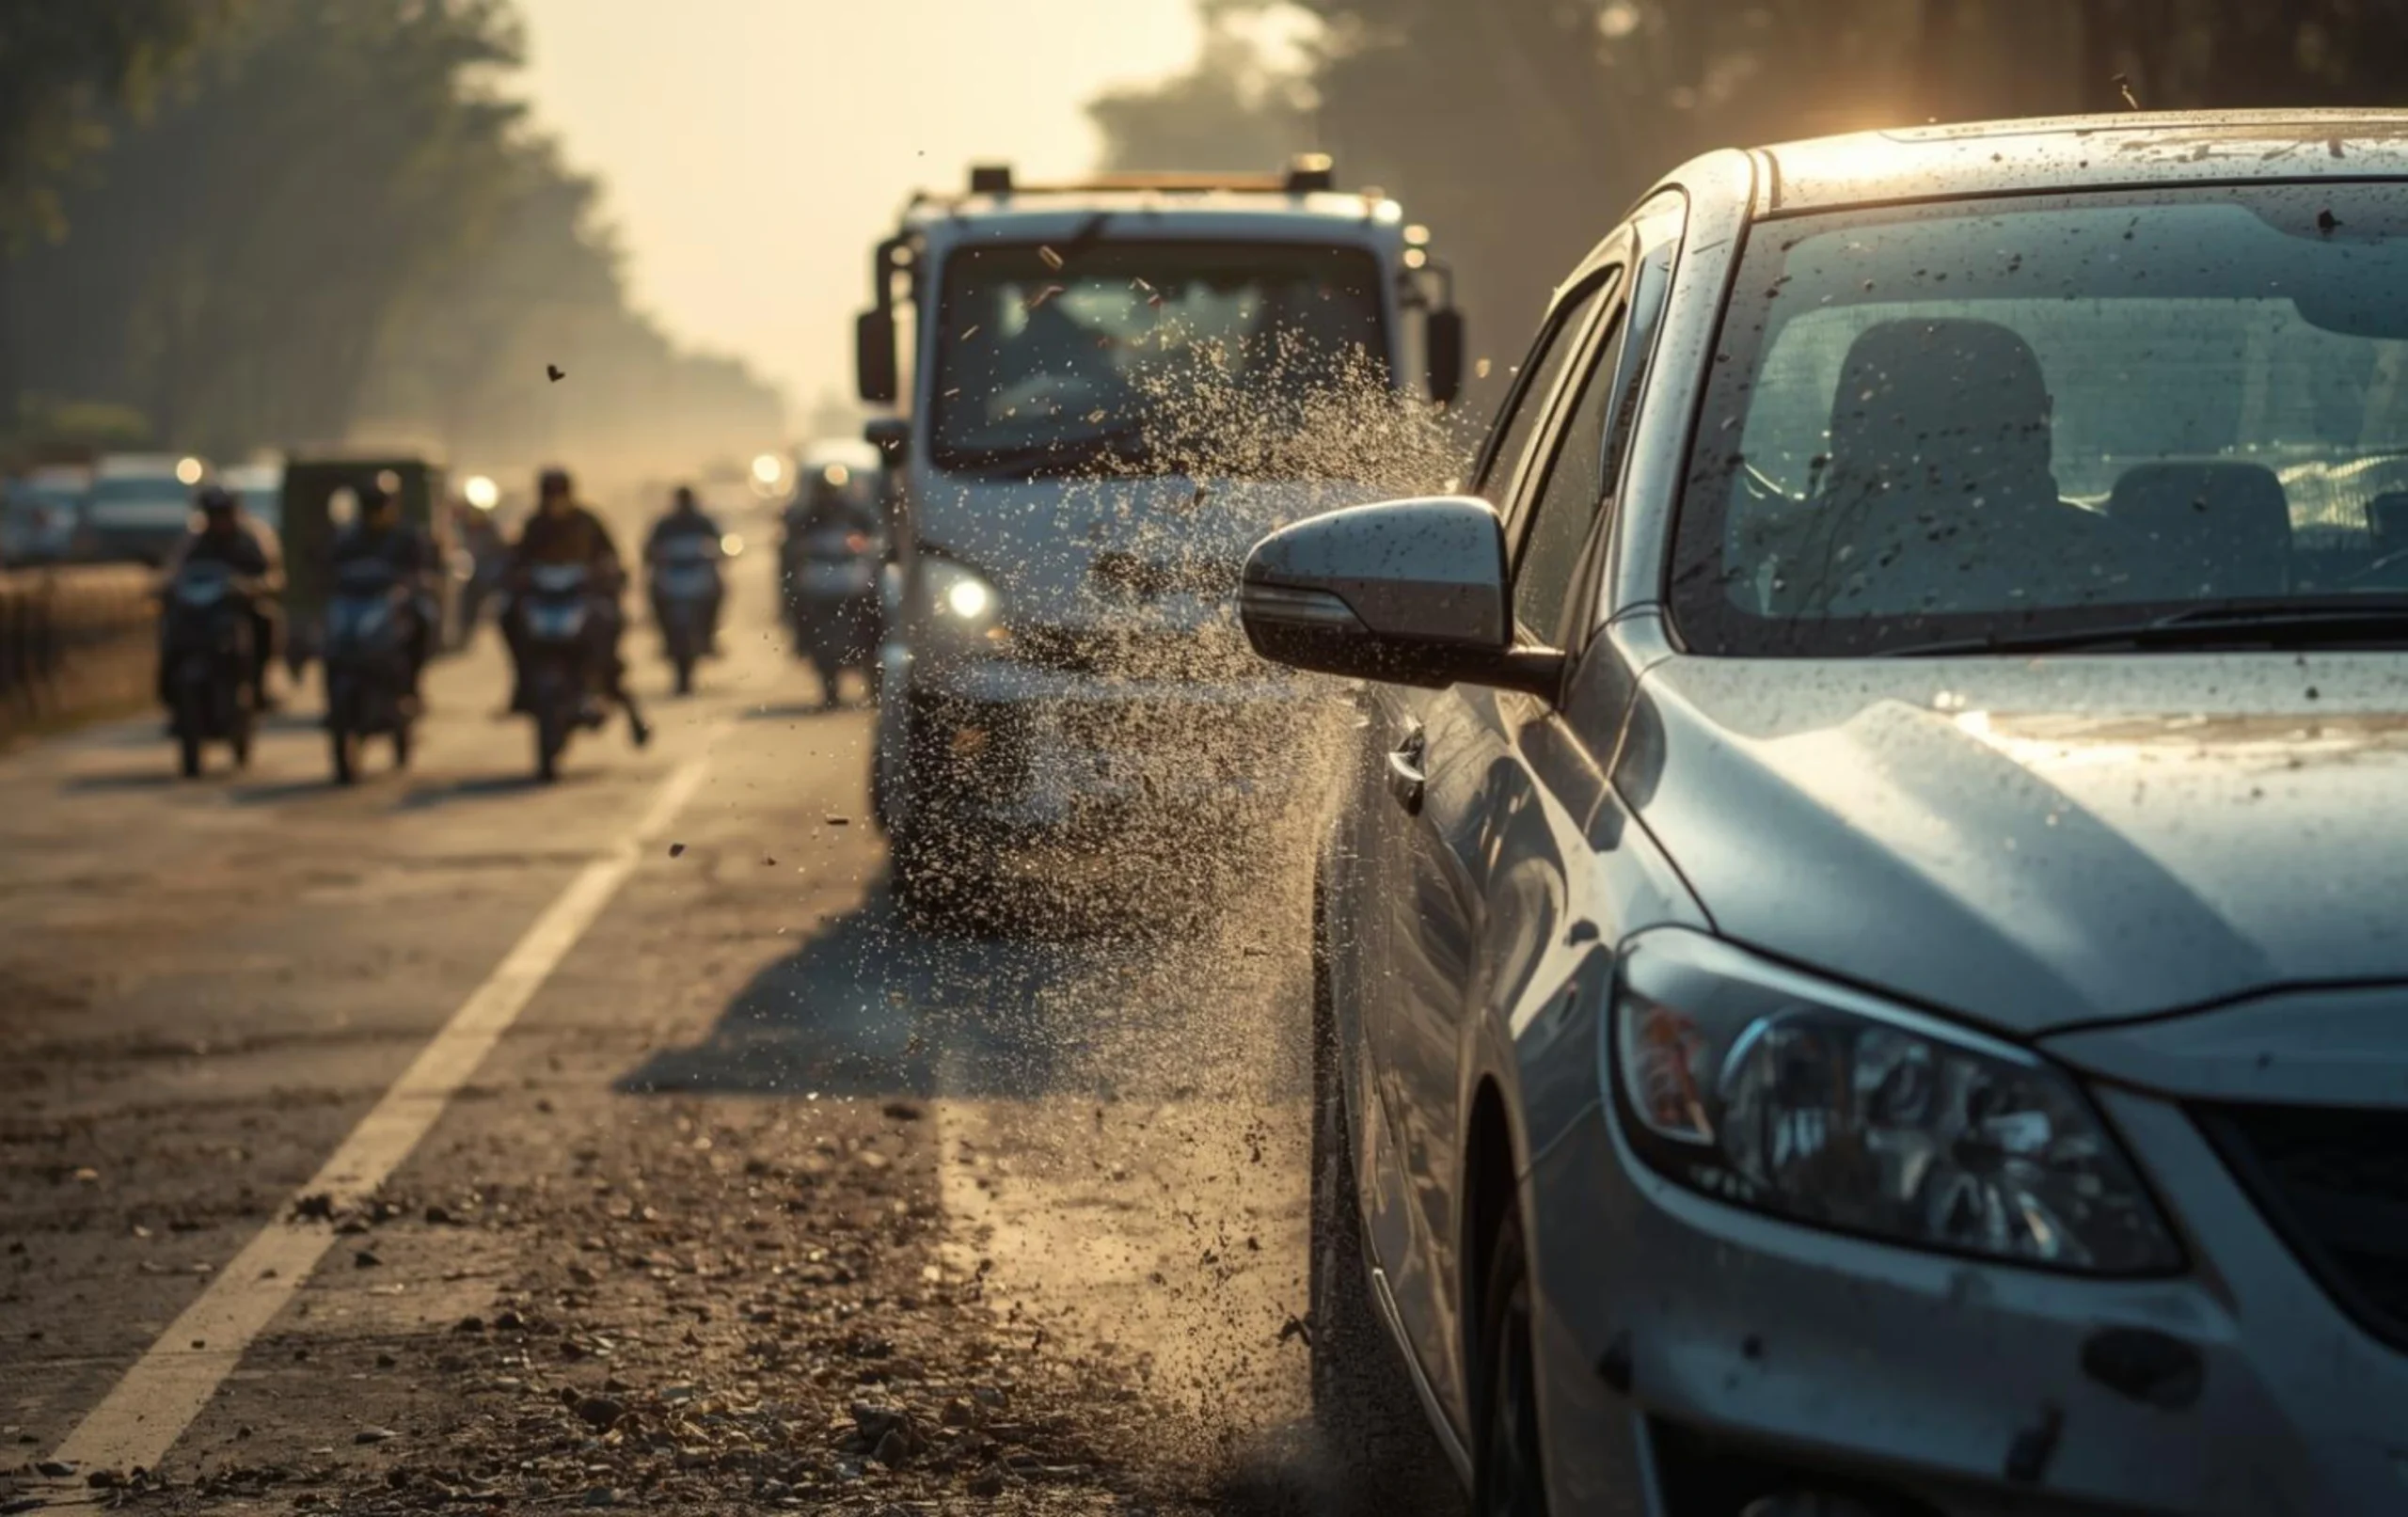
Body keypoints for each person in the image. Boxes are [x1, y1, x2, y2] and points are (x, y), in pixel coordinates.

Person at [502, 466, 648, 745]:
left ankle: (604, 682)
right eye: (549, 495)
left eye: (559, 494)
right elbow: (516, 560)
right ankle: (521, 681)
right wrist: (513, 575)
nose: (555, 501)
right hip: (544, 603)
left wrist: (609, 573)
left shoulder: (588, 521)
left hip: (582, 600)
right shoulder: (534, 525)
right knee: (507, 615)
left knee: (609, 620)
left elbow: (611, 556)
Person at [159, 482, 284, 713]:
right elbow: (175, 570)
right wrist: (166, 586)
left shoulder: (251, 539)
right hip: (202, 611)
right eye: (214, 514)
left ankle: (257, 684)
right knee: (171, 627)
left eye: (223, 514)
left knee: (265, 619)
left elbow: (271, 574)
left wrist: (251, 587)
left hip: (236, 607)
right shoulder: (195, 541)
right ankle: (168, 692)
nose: (219, 520)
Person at [329, 471, 439, 701]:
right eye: (371, 506)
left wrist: (415, 582)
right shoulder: (350, 536)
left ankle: (412, 684)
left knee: (424, 616)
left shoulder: (407, 535)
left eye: (380, 505)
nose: (376, 512)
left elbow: (423, 567)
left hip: (394, 603)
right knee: (329, 642)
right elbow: (332, 564)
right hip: (357, 603)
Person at [643, 484, 726, 655]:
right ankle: (663, 636)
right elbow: (649, 550)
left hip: (698, 576)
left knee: (719, 590)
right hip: (672, 578)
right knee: (653, 591)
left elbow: (721, 545)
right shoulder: (665, 525)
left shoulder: (704, 523)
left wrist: (719, 555)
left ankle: (710, 634)